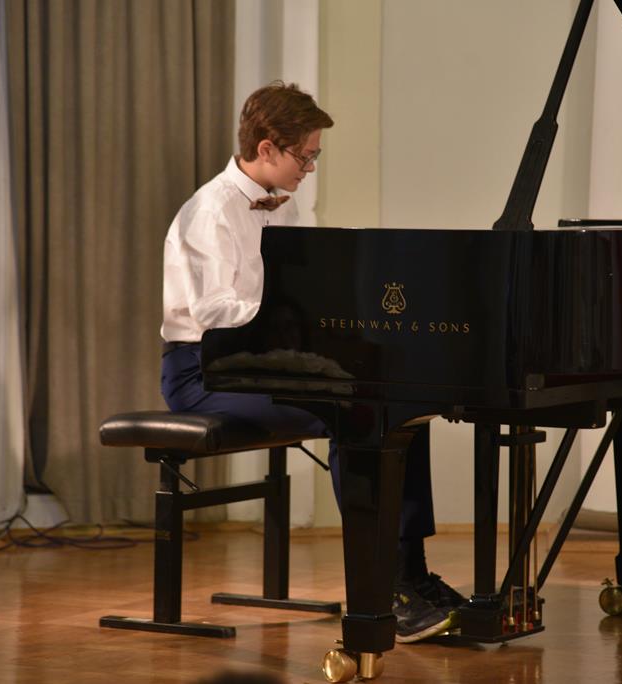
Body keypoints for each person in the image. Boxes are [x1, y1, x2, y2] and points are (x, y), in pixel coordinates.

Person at [159, 81, 465, 643]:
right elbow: (213, 312)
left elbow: (306, 289)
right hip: (203, 372)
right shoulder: (210, 211)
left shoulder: (285, 202)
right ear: (267, 148)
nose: (311, 167)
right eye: (306, 156)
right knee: (353, 411)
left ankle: (411, 573)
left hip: (268, 360)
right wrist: (289, 319)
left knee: (401, 403)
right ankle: (380, 590)